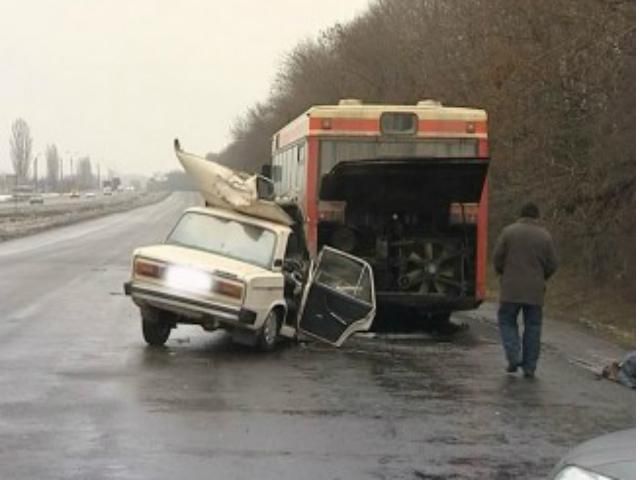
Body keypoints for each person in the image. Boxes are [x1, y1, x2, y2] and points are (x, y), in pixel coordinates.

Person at [493, 202, 558, 378]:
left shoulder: (508, 232)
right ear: (537, 216)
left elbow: (497, 258)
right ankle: (529, 367)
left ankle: (514, 356)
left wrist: (502, 272)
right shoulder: (545, 236)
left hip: (511, 288)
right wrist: (541, 277)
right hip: (535, 290)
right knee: (533, 326)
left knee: (506, 320)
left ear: (520, 215)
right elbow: (553, 264)